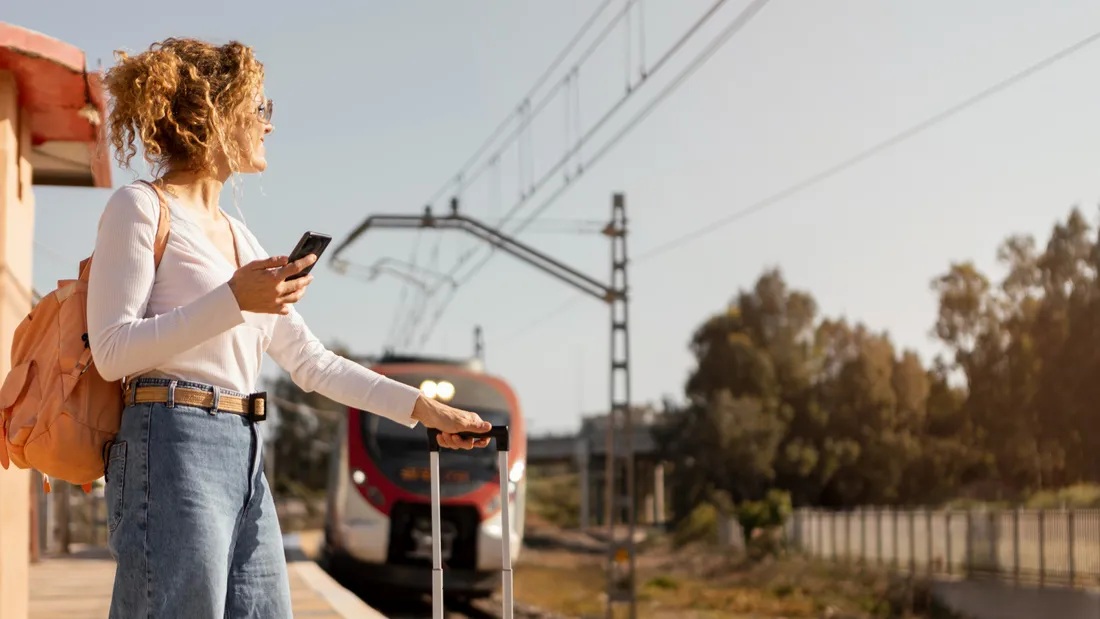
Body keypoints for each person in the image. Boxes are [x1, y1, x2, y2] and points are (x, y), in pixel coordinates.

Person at [86, 37, 491, 619]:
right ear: (212, 113)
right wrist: (233, 298)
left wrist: (425, 409)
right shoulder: (140, 208)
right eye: (259, 108)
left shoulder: (239, 237)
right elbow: (111, 351)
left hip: (244, 448)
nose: (268, 125)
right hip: (169, 443)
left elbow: (313, 363)